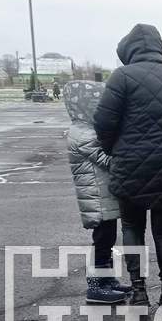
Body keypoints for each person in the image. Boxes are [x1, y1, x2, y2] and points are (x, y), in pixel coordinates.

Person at [94, 24, 162, 306]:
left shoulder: (122, 77)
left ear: (130, 50)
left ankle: (139, 291)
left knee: (132, 226)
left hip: (131, 164)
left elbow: (103, 123)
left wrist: (114, 148)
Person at [64, 80, 131, 303]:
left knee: (107, 240)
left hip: (102, 196)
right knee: (103, 241)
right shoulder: (83, 134)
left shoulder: (85, 129)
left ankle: (106, 280)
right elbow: (107, 160)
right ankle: (95, 287)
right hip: (96, 199)